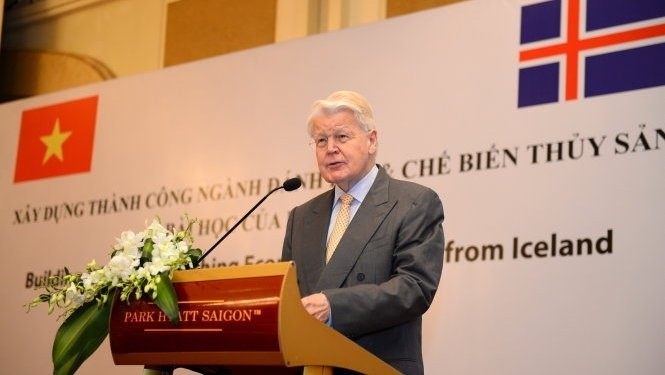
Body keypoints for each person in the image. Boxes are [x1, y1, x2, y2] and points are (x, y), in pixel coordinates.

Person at [282, 90, 445, 375]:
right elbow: (288, 299)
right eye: (321, 140)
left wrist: (334, 306)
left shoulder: (414, 203)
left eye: (341, 136)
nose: (330, 148)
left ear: (371, 141)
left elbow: (414, 288)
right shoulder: (302, 217)